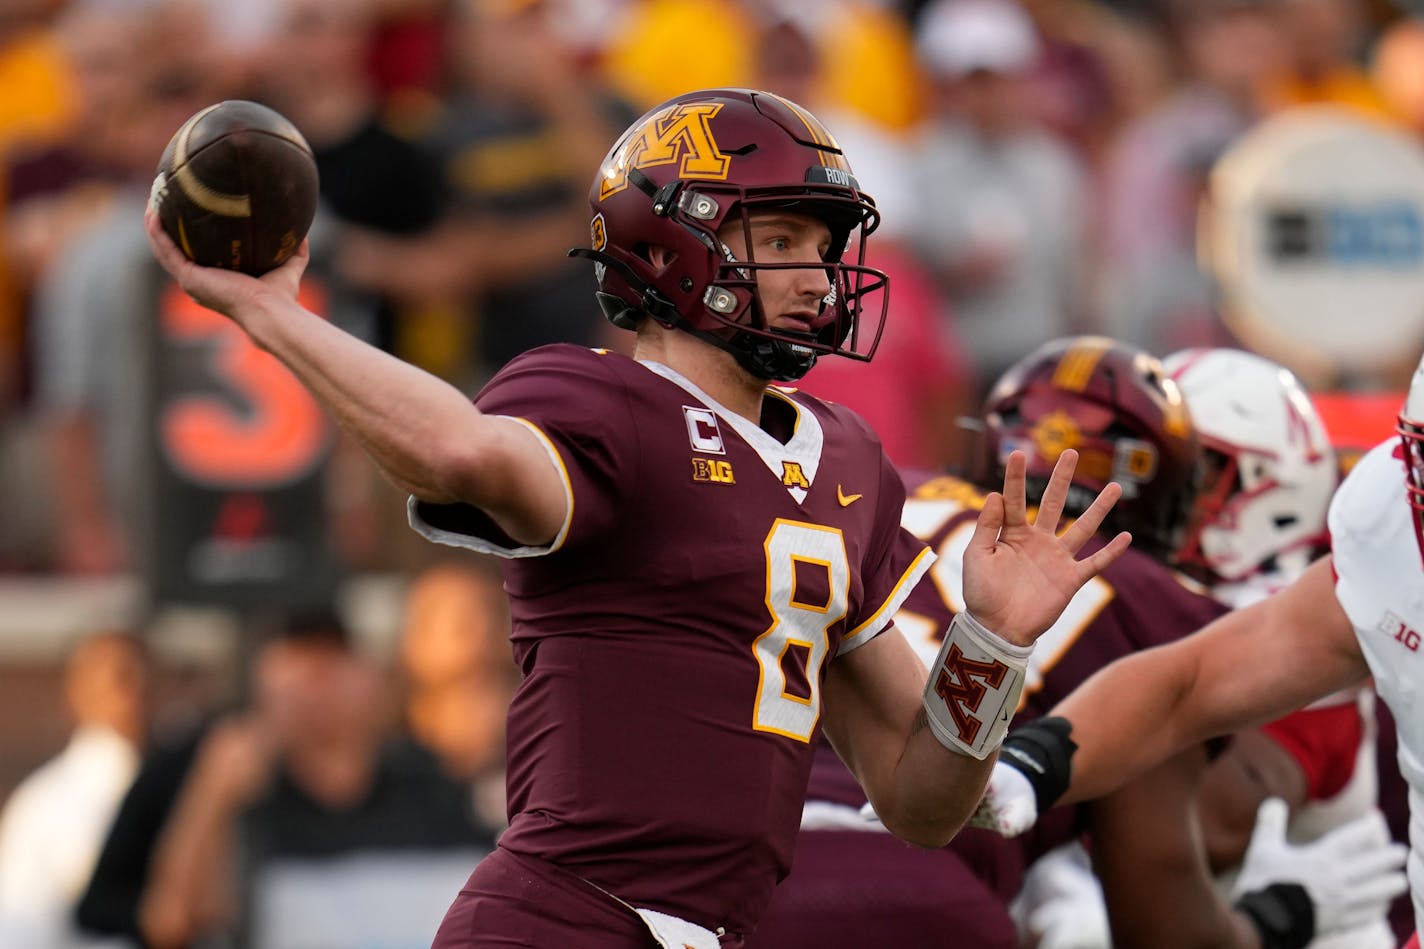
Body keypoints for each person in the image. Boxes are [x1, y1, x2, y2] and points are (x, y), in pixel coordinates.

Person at [144, 86, 1130, 947]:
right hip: (566, 917)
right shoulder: (601, 400)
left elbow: (920, 803)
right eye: (779, 240)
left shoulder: (847, 459)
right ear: (671, 241)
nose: (816, 276)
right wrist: (272, 314)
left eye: (823, 248)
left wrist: (989, 645)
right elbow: (461, 450)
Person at [755, 336, 1401, 949]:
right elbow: (1164, 926)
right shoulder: (1152, 601)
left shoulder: (881, 499)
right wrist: (1282, 914)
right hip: (913, 887)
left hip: (733, 863)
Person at [969, 346, 1424, 944]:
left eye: (1197, 470)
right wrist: (1031, 764)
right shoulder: (1394, 521)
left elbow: (1200, 828)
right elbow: (1195, 681)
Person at [0, 630, 151, 949]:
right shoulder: (44, 805)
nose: (134, 691)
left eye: (144, 674)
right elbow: (20, 930)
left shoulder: (187, 778)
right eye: (120, 677)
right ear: (78, 692)